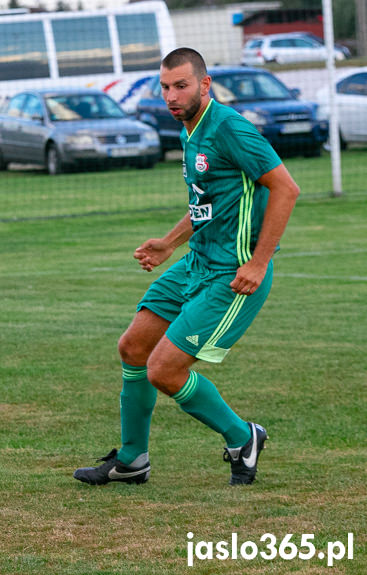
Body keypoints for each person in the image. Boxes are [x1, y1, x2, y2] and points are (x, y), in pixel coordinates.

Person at [74, 48, 299, 487]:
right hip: (197, 262)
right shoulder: (189, 129)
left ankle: (242, 437)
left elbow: (285, 189)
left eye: (181, 85)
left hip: (232, 272)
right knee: (133, 348)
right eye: (165, 87)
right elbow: (208, 203)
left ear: (205, 84)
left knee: (164, 370)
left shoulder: (229, 127)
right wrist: (169, 243)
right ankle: (133, 459)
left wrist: (259, 260)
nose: (172, 96)